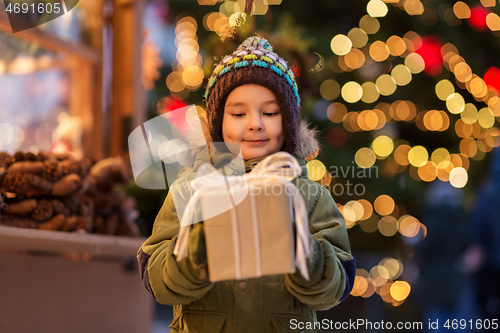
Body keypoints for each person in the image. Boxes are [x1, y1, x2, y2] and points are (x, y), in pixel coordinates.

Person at [137, 36, 355, 333]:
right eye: (239, 114)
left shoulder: (309, 197)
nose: (255, 124)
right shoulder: (191, 191)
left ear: (288, 123)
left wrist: (305, 254)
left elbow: (336, 287)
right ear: (217, 123)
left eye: (270, 112)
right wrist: (195, 254)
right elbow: (158, 280)